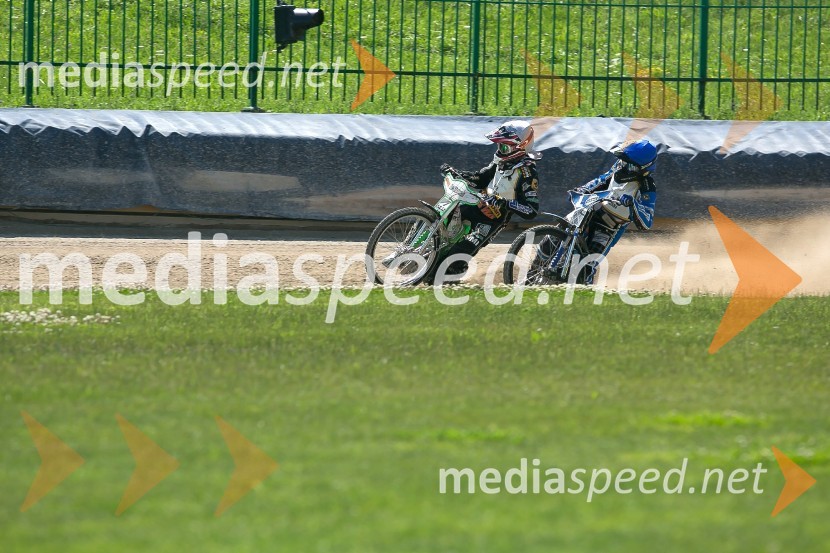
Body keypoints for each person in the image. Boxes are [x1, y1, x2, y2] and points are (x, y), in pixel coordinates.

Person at [439, 120, 541, 275]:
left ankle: (452, 272)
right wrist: (456, 173)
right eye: (499, 146)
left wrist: (504, 203)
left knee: (457, 254)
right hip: (476, 204)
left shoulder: (527, 173)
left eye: (504, 147)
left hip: (492, 220)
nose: (500, 150)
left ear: (520, 146)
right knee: (441, 220)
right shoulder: (500, 162)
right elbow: (480, 178)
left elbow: (531, 210)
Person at [566, 139, 658, 283]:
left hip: (609, 228)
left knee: (586, 265)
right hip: (591, 210)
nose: (623, 165)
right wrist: (583, 189)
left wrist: (633, 204)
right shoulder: (619, 166)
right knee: (558, 234)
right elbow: (602, 180)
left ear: (642, 168)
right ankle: (533, 272)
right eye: (623, 161)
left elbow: (647, 221)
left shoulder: (648, 186)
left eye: (628, 164)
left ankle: (583, 285)